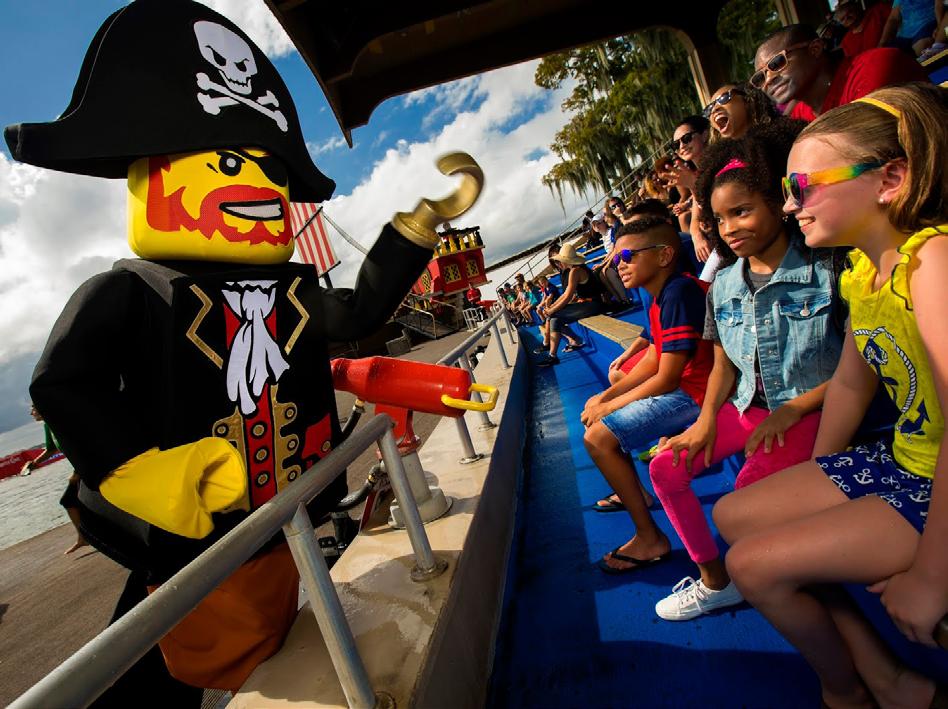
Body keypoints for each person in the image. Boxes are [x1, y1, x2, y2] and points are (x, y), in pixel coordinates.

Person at [713, 84, 948, 709]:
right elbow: (848, 382)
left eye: (802, 188)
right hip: (906, 462)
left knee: (753, 566)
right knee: (732, 515)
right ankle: (881, 676)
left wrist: (931, 577)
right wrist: (823, 482)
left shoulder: (933, 263)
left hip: (934, 482)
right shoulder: (863, 272)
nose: (790, 206)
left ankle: (849, 691)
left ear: (890, 179)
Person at [649, 119, 847, 621]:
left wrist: (792, 410)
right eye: (719, 219)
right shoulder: (724, 285)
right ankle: (717, 581)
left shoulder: (826, 268)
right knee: (665, 468)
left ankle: (785, 581)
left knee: (747, 497)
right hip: (748, 408)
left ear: (778, 203)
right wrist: (705, 420)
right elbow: (722, 364)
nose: (729, 228)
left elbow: (857, 365)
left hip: (811, 409)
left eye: (742, 211)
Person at [580, 217, 713, 570]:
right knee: (598, 414)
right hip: (685, 387)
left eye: (627, 256)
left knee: (597, 439)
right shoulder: (660, 297)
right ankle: (635, 493)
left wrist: (610, 405)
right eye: (616, 258)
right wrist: (606, 398)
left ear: (664, 255)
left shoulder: (679, 293)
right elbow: (654, 357)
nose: (619, 265)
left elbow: (668, 378)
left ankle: (650, 538)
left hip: (696, 393)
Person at [751, 23, 927, 122]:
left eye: (777, 63)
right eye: (760, 78)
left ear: (815, 49)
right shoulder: (800, 115)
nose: (769, 79)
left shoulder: (873, 67)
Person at [538, 243, 606, 366]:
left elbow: (567, 296)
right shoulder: (576, 269)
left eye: (560, 260)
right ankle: (553, 355)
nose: (559, 263)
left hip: (593, 305)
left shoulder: (575, 271)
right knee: (554, 319)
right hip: (590, 304)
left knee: (554, 316)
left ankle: (554, 353)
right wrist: (552, 307)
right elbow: (565, 294)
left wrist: (552, 310)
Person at [705, 83, 780, 142]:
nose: (714, 109)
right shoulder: (719, 156)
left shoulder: (777, 137)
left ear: (748, 101)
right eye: (709, 108)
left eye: (723, 98)